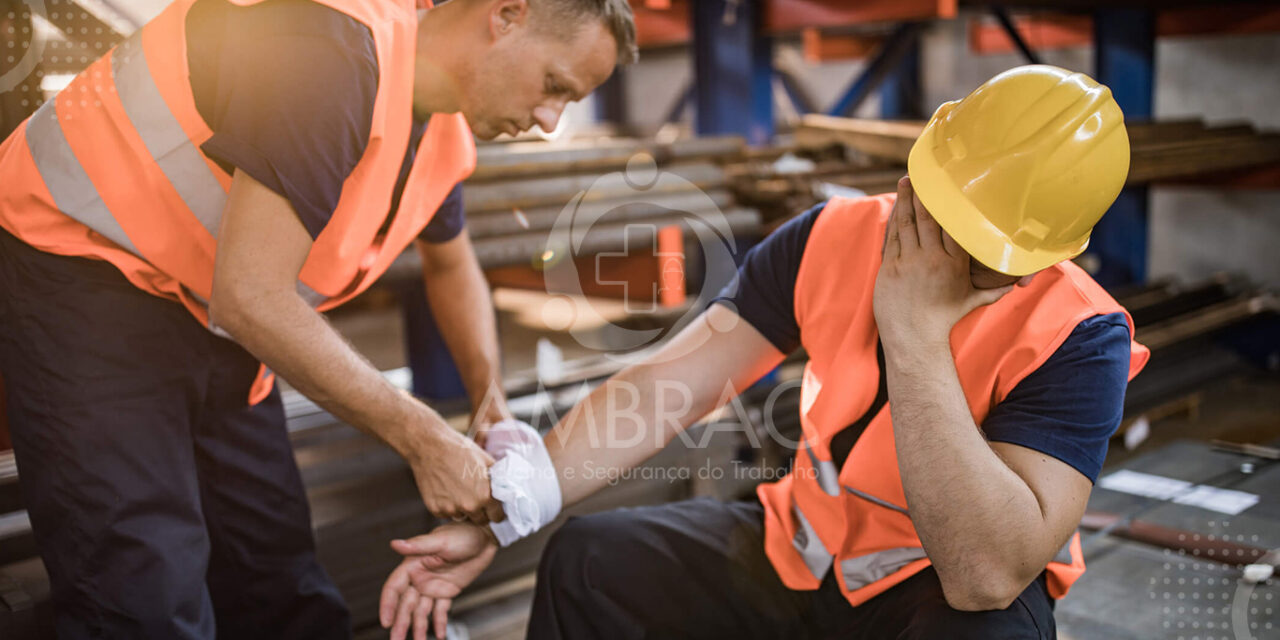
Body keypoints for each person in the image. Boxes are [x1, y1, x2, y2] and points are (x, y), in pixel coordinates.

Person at [379, 65, 1150, 640]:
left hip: (929, 594)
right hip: (797, 553)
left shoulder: (1080, 336)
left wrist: (914, 334)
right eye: (935, 208)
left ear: (1040, 259)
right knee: (588, 561)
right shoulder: (830, 238)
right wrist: (507, 508)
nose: (940, 248)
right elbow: (668, 387)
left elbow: (986, 574)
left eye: (978, 248)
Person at [0, 0, 636, 637]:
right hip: (82, 272)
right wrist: (425, 439)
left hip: (207, 311)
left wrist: (489, 401)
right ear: (507, 14)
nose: (551, 121)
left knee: (276, 576)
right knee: (141, 595)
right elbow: (251, 296)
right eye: (555, 86)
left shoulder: (440, 126)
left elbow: (451, 265)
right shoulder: (333, 49)